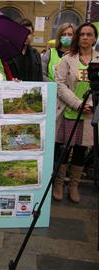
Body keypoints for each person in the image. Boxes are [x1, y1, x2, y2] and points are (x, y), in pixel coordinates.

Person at [53, 22, 98, 203]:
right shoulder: (67, 59)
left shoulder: (98, 59)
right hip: (69, 110)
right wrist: (78, 104)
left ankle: (73, 185)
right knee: (64, 148)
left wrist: (91, 105)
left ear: (94, 38)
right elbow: (60, 84)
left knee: (80, 149)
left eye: (89, 34)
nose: (85, 37)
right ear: (77, 38)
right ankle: (58, 184)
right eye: (82, 34)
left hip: (90, 113)